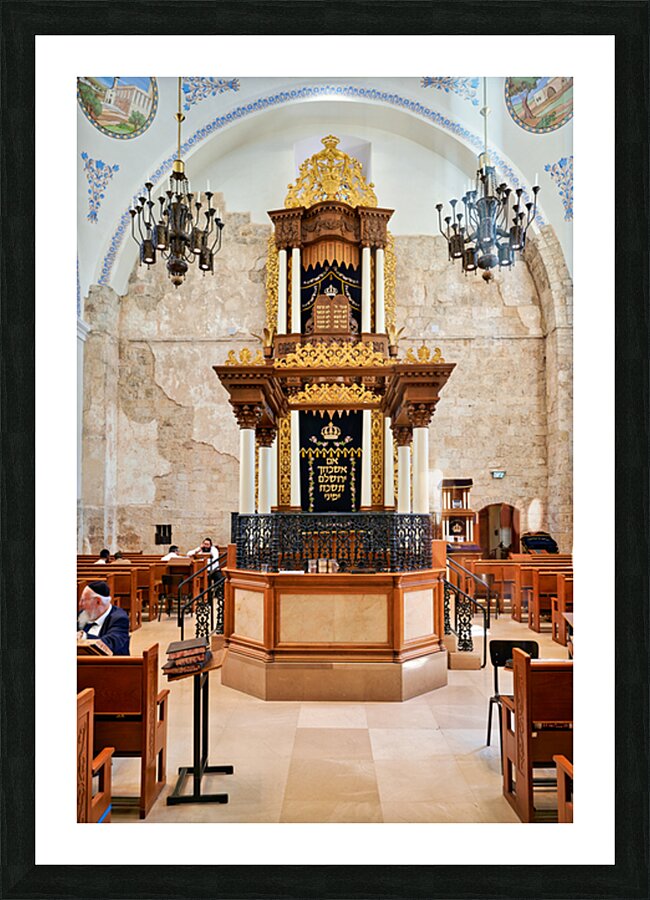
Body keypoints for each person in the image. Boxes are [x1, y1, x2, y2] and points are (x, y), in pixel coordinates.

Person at [77, 581, 130, 655]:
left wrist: (84, 637)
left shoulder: (119, 618)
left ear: (98, 601)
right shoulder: (83, 614)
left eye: (84, 600)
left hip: (110, 664)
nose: (80, 604)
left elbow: (110, 643)